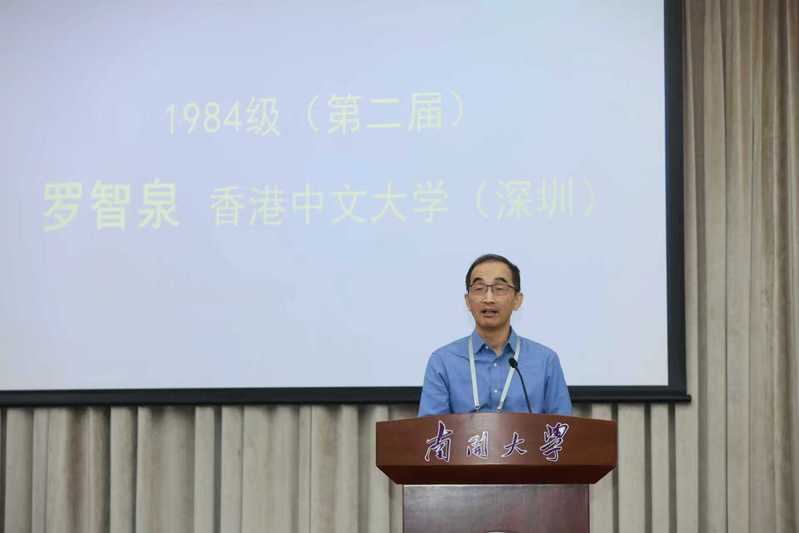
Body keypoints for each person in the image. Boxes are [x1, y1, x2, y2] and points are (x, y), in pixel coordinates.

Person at [417, 254, 572, 416]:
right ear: (468, 301)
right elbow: (432, 429)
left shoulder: (545, 361)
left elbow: (562, 427)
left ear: (517, 300)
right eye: (479, 289)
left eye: (499, 289)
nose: (489, 298)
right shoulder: (443, 362)